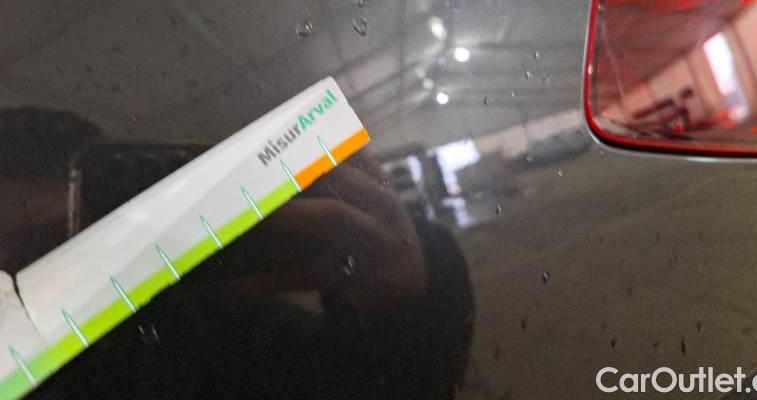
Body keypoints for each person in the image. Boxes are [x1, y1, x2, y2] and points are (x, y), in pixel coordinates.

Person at [0, 107, 474, 399]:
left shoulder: (186, 333)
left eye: (66, 239)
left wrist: (408, 307)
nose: (24, 277)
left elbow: (350, 381)